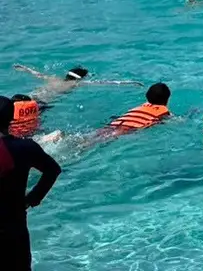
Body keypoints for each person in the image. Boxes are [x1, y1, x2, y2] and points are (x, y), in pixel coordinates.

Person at [0, 95, 61, 270]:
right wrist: (32, 198)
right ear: (12, 118)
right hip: (14, 225)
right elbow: (53, 169)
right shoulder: (25, 147)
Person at [11, 65, 139, 106]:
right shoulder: (76, 84)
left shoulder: (53, 79)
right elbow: (104, 82)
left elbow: (37, 74)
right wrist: (129, 83)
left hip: (27, 97)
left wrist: (24, 68)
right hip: (41, 104)